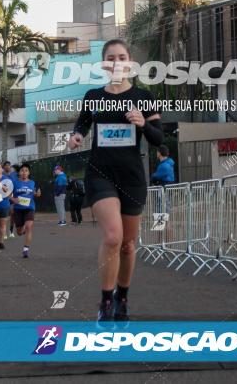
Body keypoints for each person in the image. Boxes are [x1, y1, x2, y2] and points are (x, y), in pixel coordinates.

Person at [68, 39, 163, 322]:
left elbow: (159, 138)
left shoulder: (143, 97)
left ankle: (122, 298)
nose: (117, 62)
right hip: (100, 173)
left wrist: (144, 123)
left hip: (132, 176)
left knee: (128, 245)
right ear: (104, 64)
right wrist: (76, 136)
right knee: (113, 236)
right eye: (111, 58)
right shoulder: (94, 95)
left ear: (130, 61)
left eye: (122, 56)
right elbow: (82, 125)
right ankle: (106, 302)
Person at [9, 163, 40, 258]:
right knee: (19, 232)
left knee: (29, 226)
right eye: (22, 170)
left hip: (29, 208)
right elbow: (8, 194)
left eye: (26, 170)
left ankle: (26, 249)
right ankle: (21, 231)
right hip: (18, 209)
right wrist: (13, 199)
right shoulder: (14, 183)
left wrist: (37, 194)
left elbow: (38, 193)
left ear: (29, 172)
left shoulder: (33, 183)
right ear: (19, 173)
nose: (24, 172)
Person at [5, 162, 20, 238]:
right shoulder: (3, 176)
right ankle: (4, 232)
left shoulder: (15, 175)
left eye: (9, 166)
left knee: (12, 213)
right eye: (6, 166)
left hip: (13, 195)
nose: (8, 167)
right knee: (4, 215)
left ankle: (11, 231)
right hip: (5, 196)